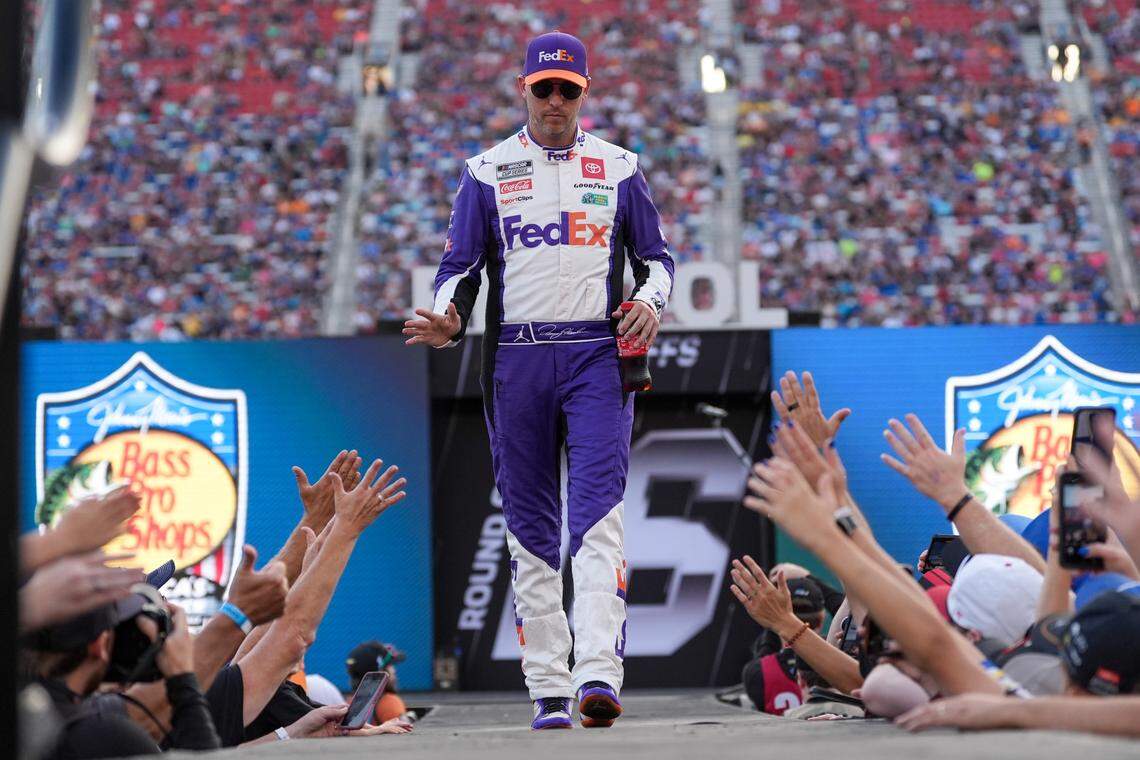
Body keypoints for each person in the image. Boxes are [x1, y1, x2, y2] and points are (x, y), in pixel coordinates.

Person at [403, 30, 674, 731]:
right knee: (529, 530)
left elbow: (658, 259)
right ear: (523, 89)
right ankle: (547, 686)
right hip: (515, 359)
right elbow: (459, 268)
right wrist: (445, 318)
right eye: (543, 88)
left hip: (594, 357)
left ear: (585, 92)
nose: (555, 101)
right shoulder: (486, 171)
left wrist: (648, 303)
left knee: (597, 521)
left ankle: (596, 677)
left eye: (569, 89)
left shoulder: (619, 168)